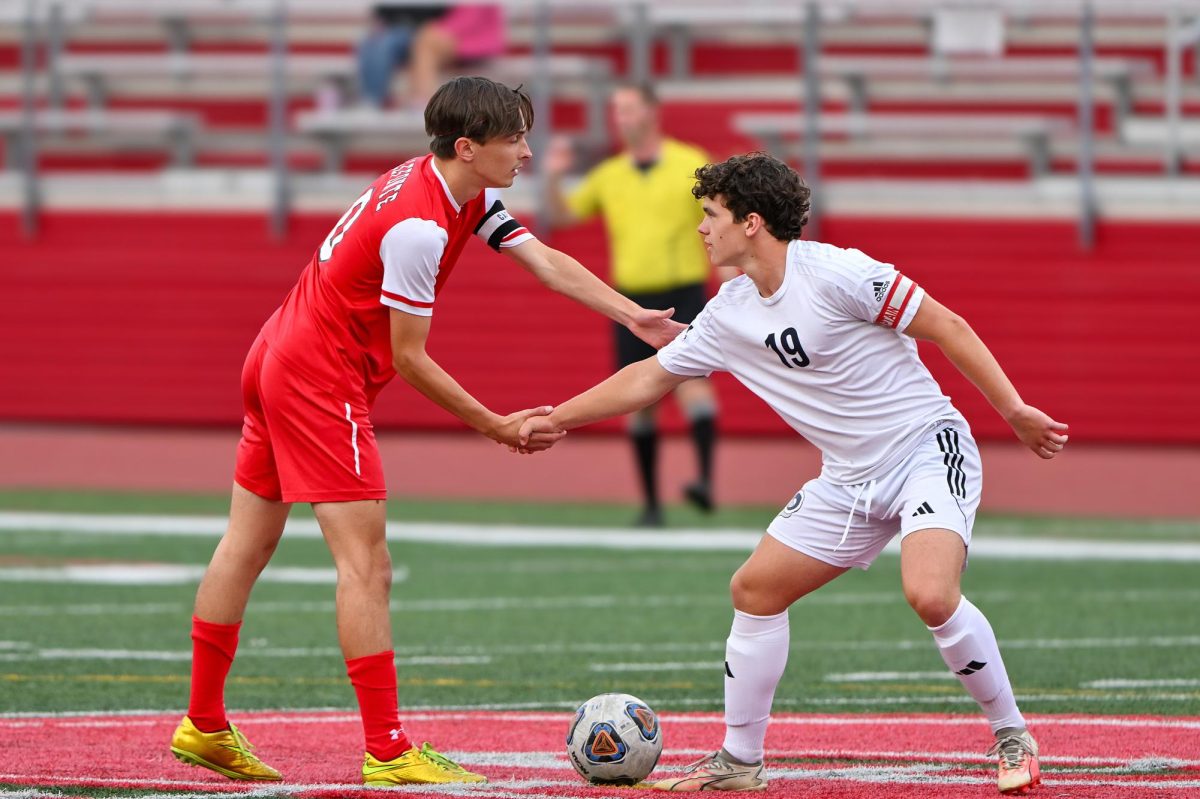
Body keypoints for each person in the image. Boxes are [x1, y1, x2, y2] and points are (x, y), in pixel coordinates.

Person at [167, 76, 683, 787]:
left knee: (247, 542)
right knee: (366, 566)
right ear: (468, 147)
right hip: (318, 380)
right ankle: (387, 749)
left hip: (277, 356)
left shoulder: (452, 187)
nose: (529, 152)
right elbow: (410, 357)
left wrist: (633, 315)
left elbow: (544, 261)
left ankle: (203, 723)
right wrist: (496, 426)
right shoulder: (419, 225)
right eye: (516, 140)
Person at [521, 153, 1068, 794]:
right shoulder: (729, 312)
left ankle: (1011, 734)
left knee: (930, 594)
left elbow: (948, 326)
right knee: (754, 590)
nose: (702, 228)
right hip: (848, 479)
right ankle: (739, 763)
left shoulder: (840, 273)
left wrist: (1015, 411)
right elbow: (649, 377)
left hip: (926, 450)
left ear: (751, 223)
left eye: (711, 215)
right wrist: (558, 418)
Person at [547, 83, 731, 527]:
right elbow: (563, 215)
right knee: (638, 401)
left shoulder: (689, 163)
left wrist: (728, 275)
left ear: (652, 111)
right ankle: (651, 503)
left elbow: (718, 217)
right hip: (631, 301)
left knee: (695, 388)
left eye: (628, 108)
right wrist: (553, 176)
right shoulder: (610, 174)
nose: (621, 117)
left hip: (684, 291)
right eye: (616, 110)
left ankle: (705, 481)